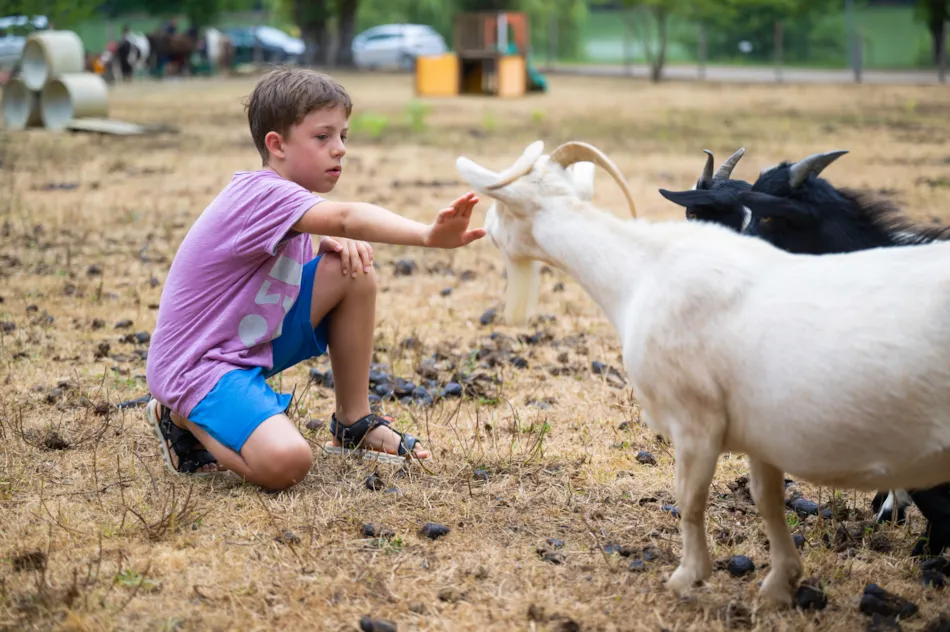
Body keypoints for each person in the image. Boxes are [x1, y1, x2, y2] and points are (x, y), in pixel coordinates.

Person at [144, 66, 485, 491]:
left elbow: (293, 270)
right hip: (197, 366)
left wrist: (326, 250)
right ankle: (180, 416)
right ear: (277, 145)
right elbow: (347, 216)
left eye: (343, 136)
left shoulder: (294, 206)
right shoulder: (261, 193)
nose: (339, 149)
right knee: (287, 463)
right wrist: (428, 236)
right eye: (322, 137)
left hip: (244, 345)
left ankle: (353, 423)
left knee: (350, 267)